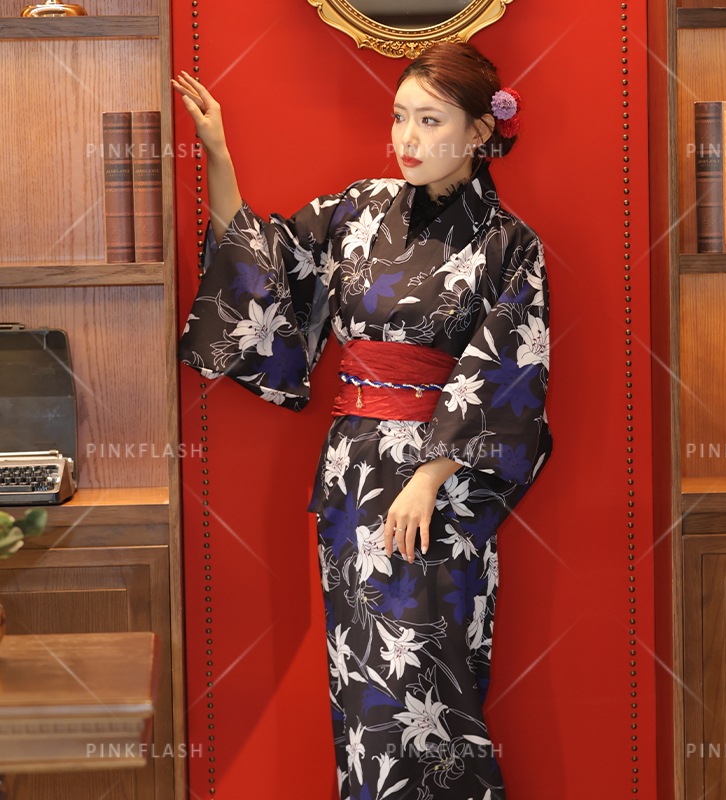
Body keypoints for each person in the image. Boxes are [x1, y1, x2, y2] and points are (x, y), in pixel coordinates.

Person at [173, 41, 553, 800]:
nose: (407, 137)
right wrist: (217, 153)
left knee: (432, 680)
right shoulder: (357, 209)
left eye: (430, 120)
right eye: (400, 117)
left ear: (480, 130)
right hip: (353, 477)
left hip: (441, 492)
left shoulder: (511, 245)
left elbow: (509, 375)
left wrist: (430, 478)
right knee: (361, 685)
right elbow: (266, 268)